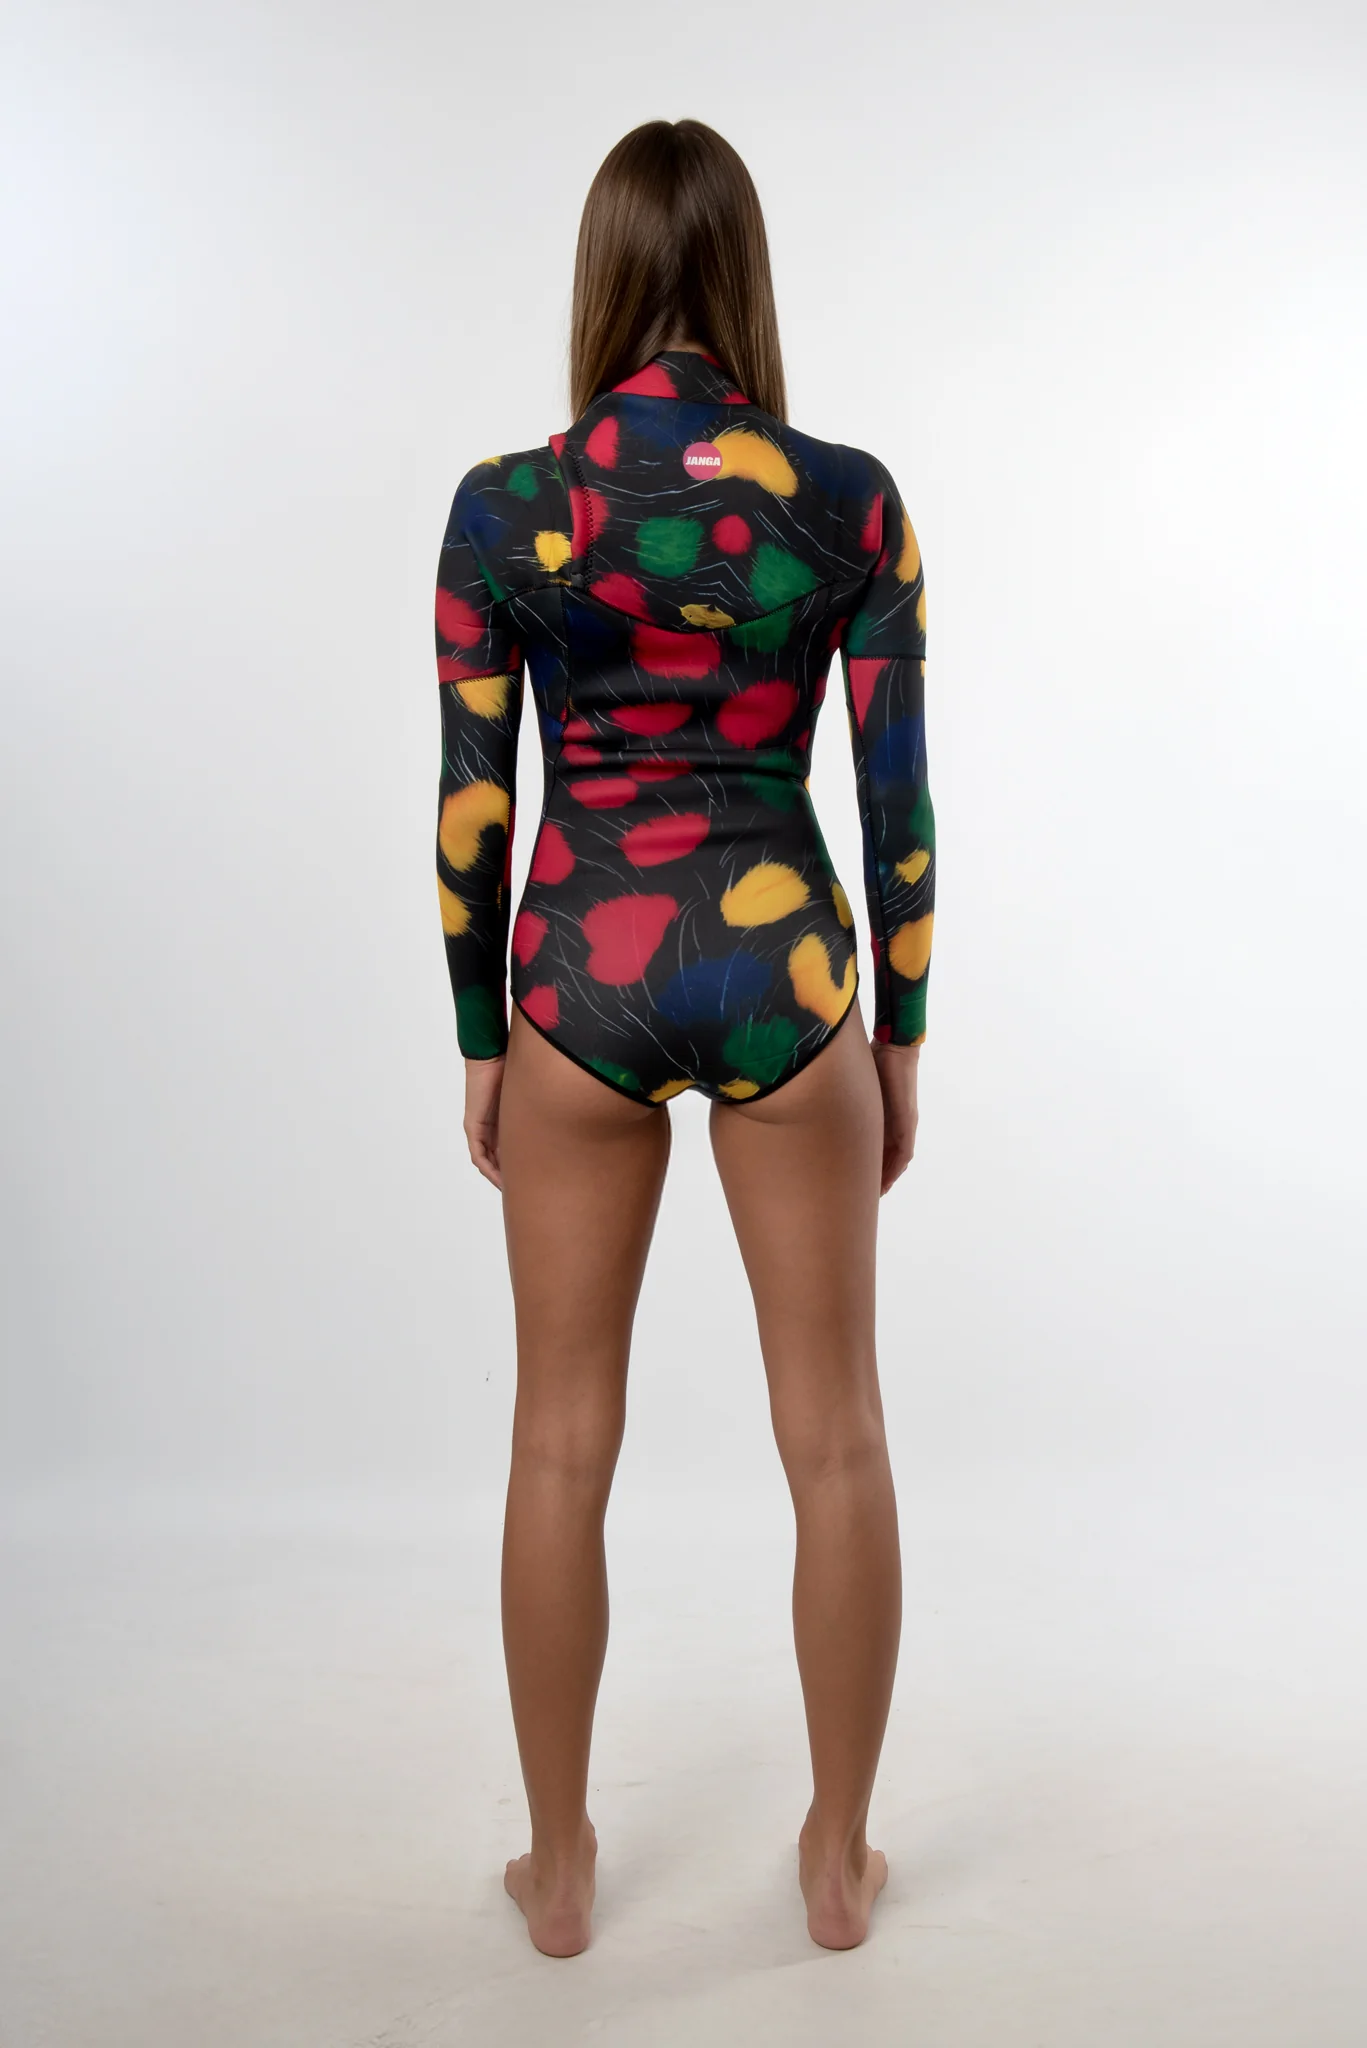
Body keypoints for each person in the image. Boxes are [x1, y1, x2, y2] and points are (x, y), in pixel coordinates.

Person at [434, 117, 934, 1957]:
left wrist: (482, 1034)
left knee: (559, 1442)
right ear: (744, 277)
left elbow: (472, 800)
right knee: (838, 1438)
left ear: (602, 278)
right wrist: (897, 1037)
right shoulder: (850, 500)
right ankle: (837, 1861)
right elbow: (897, 802)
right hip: (786, 972)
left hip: (577, 967)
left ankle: (561, 1869)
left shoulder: (507, 507)